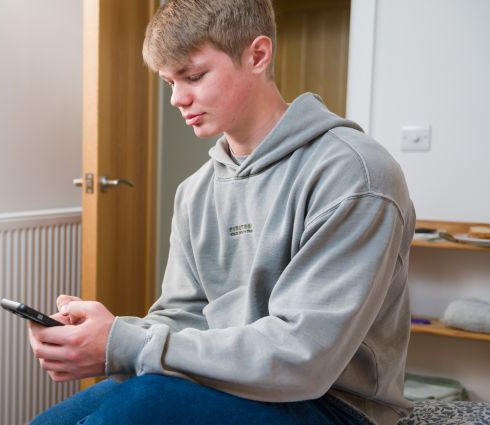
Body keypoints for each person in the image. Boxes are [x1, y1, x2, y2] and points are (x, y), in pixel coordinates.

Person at [27, 0, 415, 424]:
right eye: (169, 81)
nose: (178, 98)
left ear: (257, 55)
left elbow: (305, 358)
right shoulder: (196, 190)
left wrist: (124, 344)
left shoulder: (355, 174)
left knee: (136, 408)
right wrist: (104, 338)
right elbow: (183, 316)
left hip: (332, 402)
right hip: (222, 381)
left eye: (193, 76)